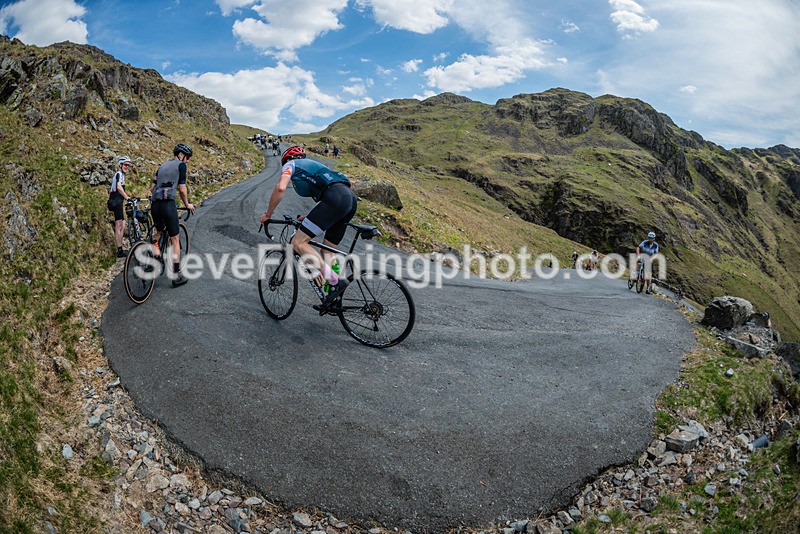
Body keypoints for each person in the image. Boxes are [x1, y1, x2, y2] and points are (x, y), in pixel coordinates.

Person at [259, 146, 357, 308]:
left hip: (336, 199)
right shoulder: (316, 167)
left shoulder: (291, 164)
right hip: (349, 200)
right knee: (327, 251)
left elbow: (281, 188)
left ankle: (335, 281)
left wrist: (268, 214)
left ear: (288, 160)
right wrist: (308, 218)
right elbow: (330, 202)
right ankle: (334, 295)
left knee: (298, 243)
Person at [150, 144, 195, 287]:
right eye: (187, 157)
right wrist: (187, 204)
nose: (187, 161)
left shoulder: (161, 166)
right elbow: (182, 190)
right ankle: (176, 277)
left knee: (159, 232)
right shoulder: (181, 166)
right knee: (175, 238)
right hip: (167, 205)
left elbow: (152, 188)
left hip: (155, 204)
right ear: (181, 154)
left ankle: (155, 256)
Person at [108, 156, 132, 257]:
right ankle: (119, 250)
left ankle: (120, 247)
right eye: (125, 165)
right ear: (120, 165)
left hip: (118, 201)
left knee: (123, 223)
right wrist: (127, 197)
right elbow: (118, 187)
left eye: (128, 165)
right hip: (115, 200)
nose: (127, 167)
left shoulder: (121, 175)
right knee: (119, 224)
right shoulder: (118, 174)